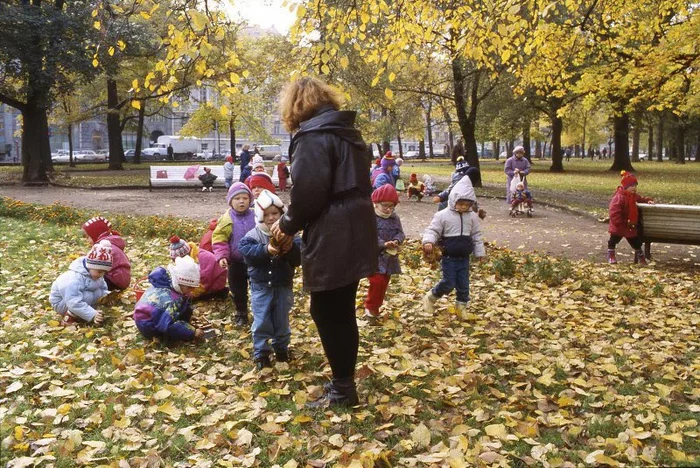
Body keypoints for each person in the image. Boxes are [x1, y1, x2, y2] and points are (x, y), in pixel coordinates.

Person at [270, 77, 377, 408]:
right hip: (356, 223)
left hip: (334, 228)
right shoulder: (347, 133)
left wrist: (286, 225)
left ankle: (343, 389)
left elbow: (309, 193)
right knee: (339, 308)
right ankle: (344, 385)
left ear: (295, 107)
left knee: (328, 309)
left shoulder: (313, 137)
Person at [239, 190, 301, 369]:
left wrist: (289, 248)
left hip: (283, 285)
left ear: (283, 214)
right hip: (260, 287)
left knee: (282, 320)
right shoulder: (252, 236)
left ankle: (281, 348)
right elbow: (247, 253)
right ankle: (261, 352)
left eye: (275, 213)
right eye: (266, 214)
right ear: (259, 216)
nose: (271, 218)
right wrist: (266, 250)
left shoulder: (291, 235)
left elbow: (299, 258)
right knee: (262, 320)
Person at [422, 177, 486, 318]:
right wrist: (428, 241)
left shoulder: (472, 217)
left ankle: (461, 307)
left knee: (464, 284)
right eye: (460, 204)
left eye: (466, 204)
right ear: (453, 200)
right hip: (449, 256)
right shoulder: (442, 216)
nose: (463, 207)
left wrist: (480, 253)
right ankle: (431, 297)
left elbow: (476, 235)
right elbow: (432, 230)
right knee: (449, 282)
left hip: (464, 257)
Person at [133, 256, 205, 342]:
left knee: (182, 303)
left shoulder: (166, 283)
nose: (191, 291)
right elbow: (169, 324)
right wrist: (192, 331)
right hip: (148, 325)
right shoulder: (170, 299)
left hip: (151, 316)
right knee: (171, 331)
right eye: (189, 287)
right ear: (179, 283)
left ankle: (179, 325)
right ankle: (160, 337)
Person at [213, 183, 256, 327]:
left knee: (258, 287)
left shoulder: (256, 216)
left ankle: (259, 311)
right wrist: (222, 256)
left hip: (255, 260)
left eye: (245, 198)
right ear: (230, 201)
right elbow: (220, 239)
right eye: (237, 198)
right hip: (236, 263)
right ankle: (241, 312)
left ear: (250, 200)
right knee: (237, 290)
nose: (242, 201)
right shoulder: (226, 219)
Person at [364, 184, 405, 322]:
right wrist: (382, 244)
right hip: (374, 256)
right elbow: (368, 236)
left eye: (391, 206)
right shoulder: (370, 218)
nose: (388, 209)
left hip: (390, 257)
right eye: (385, 205)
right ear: (376, 204)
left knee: (384, 282)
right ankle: (370, 306)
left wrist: (397, 241)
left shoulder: (394, 218)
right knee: (377, 281)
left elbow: (400, 233)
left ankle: (376, 306)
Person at [49, 240, 113, 326]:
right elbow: (73, 301)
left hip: (76, 298)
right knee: (87, 296)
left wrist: (106, 297)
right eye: (100, 271)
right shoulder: (74, 278)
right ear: (91, 266)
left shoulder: (96, 275)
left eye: (104, 272)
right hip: (62, 302)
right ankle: (68, 318)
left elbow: (102, 288)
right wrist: (92, 314)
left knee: (95, 293)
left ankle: (82, 313)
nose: (102, 275)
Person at [607, 171, 655, 265]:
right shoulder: (619, 197)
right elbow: (614, 211)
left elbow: (641, 199)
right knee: (613, 240)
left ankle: (640, 256)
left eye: (635, 186)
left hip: (630, 225)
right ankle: (611, 254)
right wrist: (619, 222)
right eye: (632, 186)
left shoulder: (634, 197)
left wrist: (648, 201)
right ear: (625, 187)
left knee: (635, 242)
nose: (634, 188)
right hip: (620, 225)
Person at [82, 216, 131, 291]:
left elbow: (96, 265)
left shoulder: (105, 247)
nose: (87, 239)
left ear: (95, 234)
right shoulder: (110, 243)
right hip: (120, 278)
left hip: (114, 280)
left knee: (89, 275)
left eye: (88, 236)